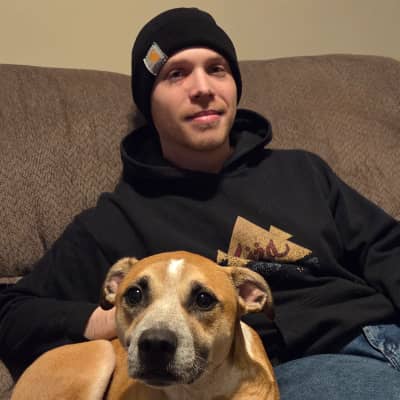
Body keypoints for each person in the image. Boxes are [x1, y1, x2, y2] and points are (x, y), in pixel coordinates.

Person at [1, 7, 400, 399]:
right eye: (176, 74)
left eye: (217, 69)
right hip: (301, 365)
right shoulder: (114, 221)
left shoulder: (302, 170)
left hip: (383, 328)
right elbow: (11, 310)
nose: (203, 88)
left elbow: (386, 248)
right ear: (149, 101)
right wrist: (118, 316)